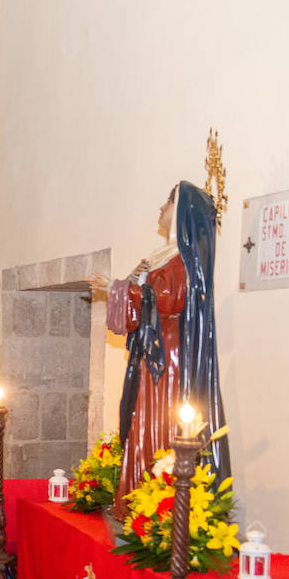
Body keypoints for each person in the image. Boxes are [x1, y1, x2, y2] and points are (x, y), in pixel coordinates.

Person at [107, 180, 229, 520]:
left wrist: (116, 290)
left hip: (170, 356)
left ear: (182, 210)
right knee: (141, 418)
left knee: (156, 419)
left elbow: (167, 300)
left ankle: (154, 502)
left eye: (167, 202)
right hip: (156, 351)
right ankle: (137, 497)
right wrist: (133, 283)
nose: (161, 209)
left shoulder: (184, 258)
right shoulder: (165, 256)